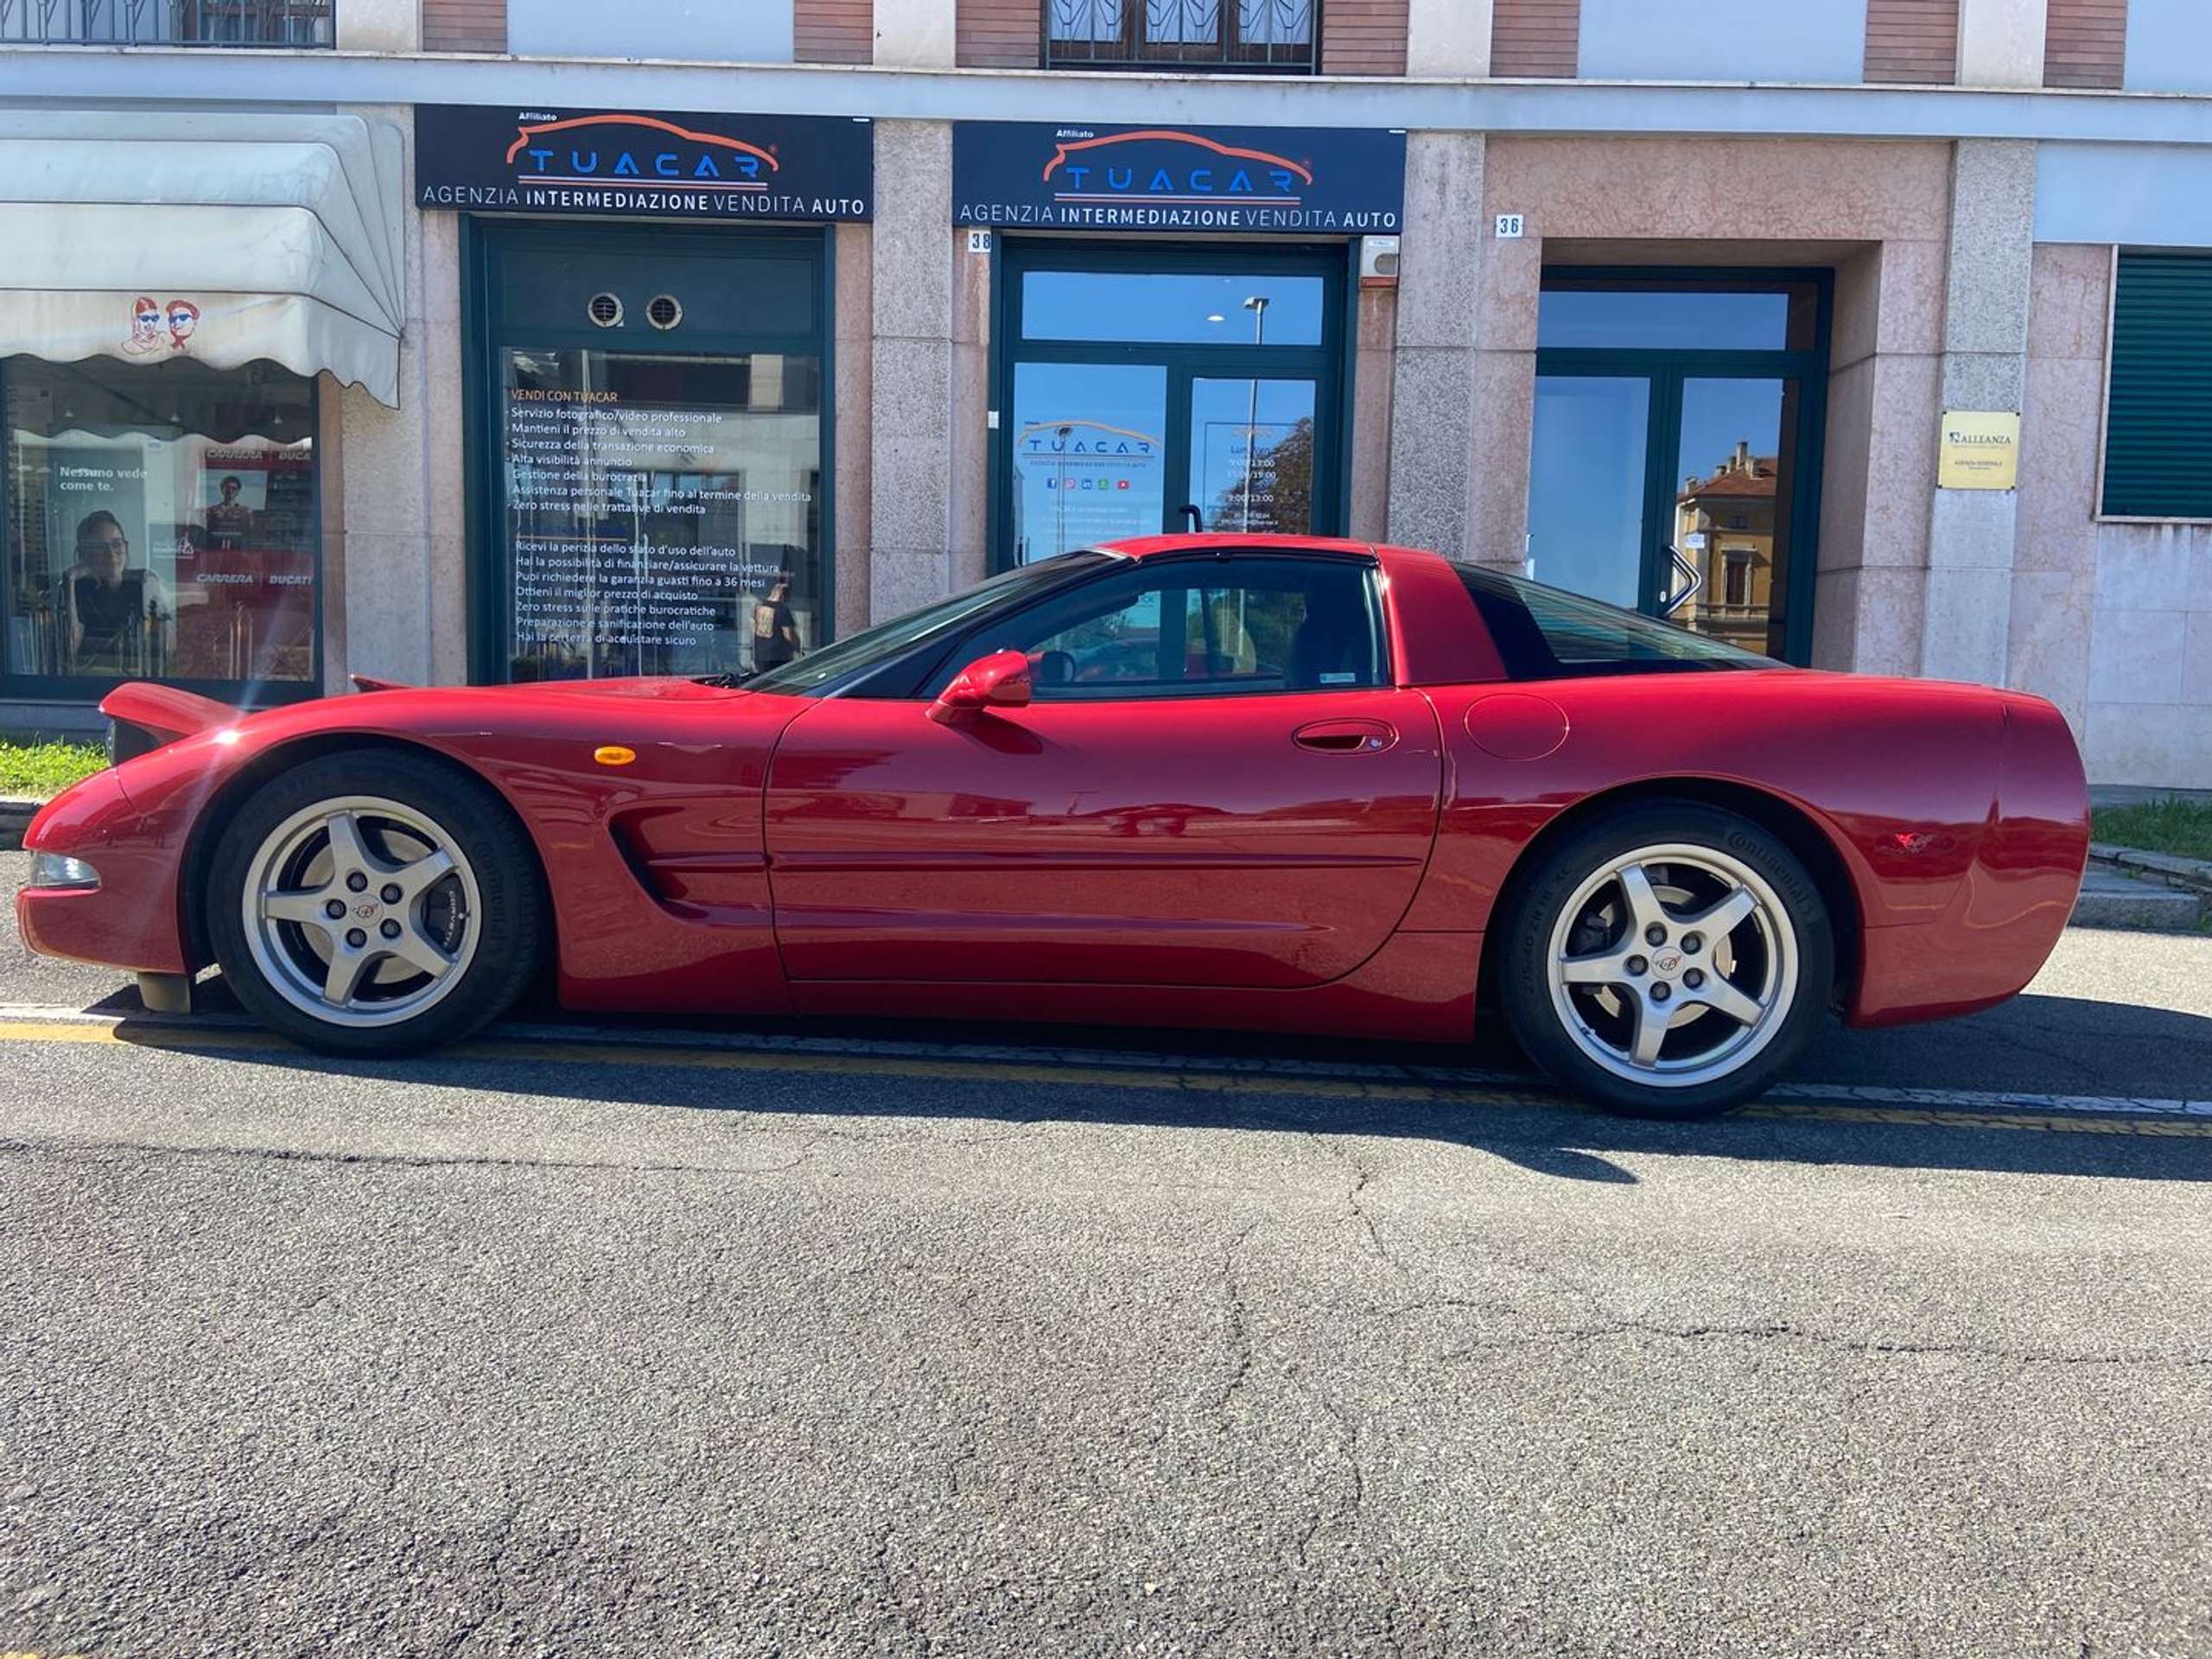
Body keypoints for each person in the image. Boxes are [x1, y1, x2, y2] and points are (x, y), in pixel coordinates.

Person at [60, 510, 173, 674]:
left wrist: (155, 594)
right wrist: (69, 582)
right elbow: (70, 651)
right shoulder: (79, 589)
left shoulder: (142, 583)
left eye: (117, 544)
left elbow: (167, 649)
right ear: (84, 554)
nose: (111, 554)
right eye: (100, 547)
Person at [751, 579, 801, 671]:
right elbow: (788, 634)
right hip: (779, 657)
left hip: (760, 654)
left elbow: (754, 627)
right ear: (783, 596)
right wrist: (798, 647)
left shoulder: (759, 607)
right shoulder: (782, 609)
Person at [205, 475, 254, 548]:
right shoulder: (211, 510)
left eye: (234, 488)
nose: (230, 491)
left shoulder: (245, 511)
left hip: (238, 548)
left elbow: (249, 532)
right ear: (222, 489)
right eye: (227, 488)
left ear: (238, 491)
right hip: (215, 548)